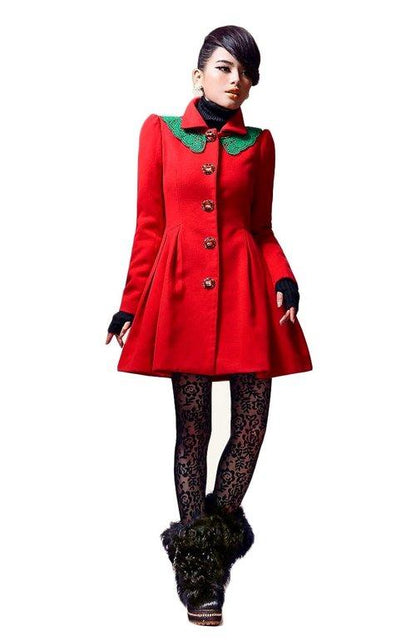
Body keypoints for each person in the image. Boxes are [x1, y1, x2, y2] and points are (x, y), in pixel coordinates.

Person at [106, 25, 313, 626]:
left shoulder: (261, 144)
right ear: (198, 75)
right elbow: (149, 225)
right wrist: (129, 303)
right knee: (192, 429)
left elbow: (262, 228)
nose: (236, 80)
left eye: (246, 72)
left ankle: (207, 544)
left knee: (251, 426)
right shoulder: (159, 132)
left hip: (247, 289)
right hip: (180, 294)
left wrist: (284, 277)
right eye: (224, 68)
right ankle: (200, 577)